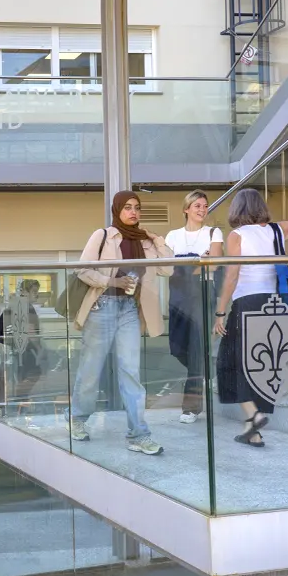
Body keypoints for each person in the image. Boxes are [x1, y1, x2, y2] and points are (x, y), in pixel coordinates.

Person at [213, 189, 288, 447]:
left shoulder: (237, 235)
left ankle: (253, 415)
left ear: (237, 209)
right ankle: (252, 432)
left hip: (247, 302)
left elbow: (232, 276)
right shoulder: (276, 230)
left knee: (231, 362)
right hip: (275, 304)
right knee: (262, 363)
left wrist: (220, 311)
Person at [68, 190, 174, 455]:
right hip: (101, 307)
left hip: (129, 310)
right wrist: (111, 281)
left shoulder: (146, 242)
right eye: (127, 207)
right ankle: (78, 420)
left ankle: (138, 434)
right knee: (91, 369)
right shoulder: (103, 235)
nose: (133, 212)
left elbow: (168, 268)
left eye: (137, 207)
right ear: (117, 210)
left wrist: (156, 238)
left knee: (131, 373)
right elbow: (83, 269)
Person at [165, 190, 224, 424]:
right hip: (178, 296)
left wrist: (191, 267)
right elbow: (167, 268)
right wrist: (199, 261)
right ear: (186, 209)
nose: (202, 209)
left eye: (205, 205)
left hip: (202, 294)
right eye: (197, 205)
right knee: (177, 347)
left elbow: (214, 268)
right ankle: (207, 369)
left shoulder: (213, 232)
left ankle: (191, 407)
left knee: (196, 348)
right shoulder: (173, 235)